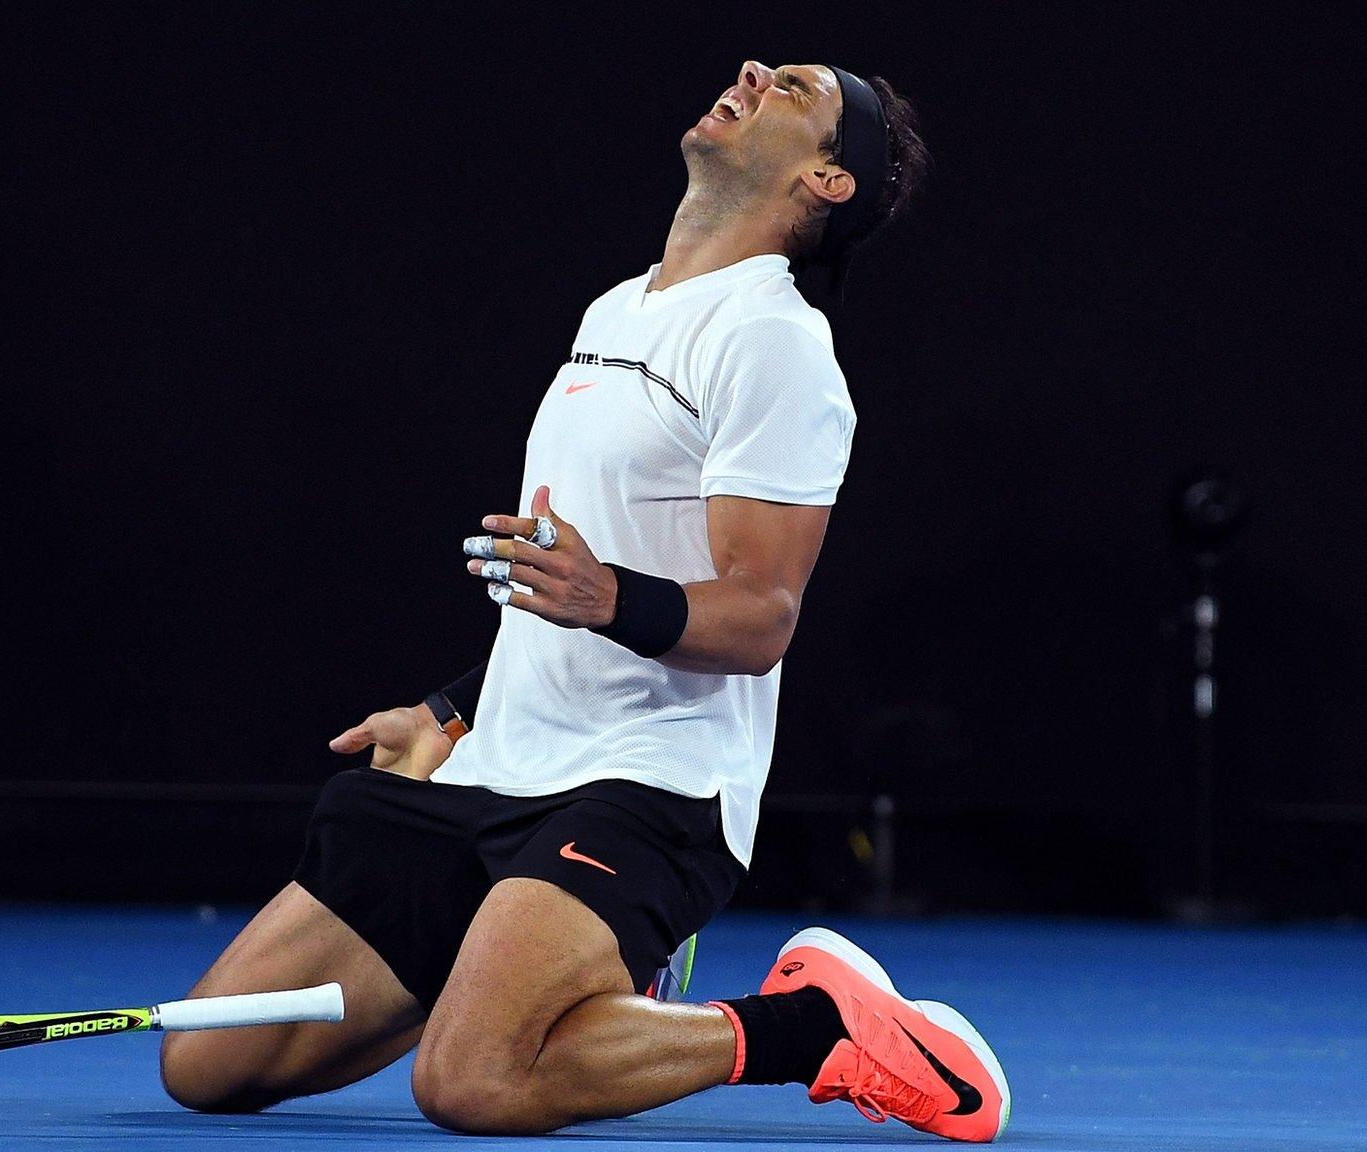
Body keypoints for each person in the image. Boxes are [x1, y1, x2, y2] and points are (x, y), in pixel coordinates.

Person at [158, 61, 1008, 1141]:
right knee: (206, 1063)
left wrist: (608, 597)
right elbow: (559, 598)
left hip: (646, 787)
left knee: (470, 1085)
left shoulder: (774, 346)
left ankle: (811, 1027)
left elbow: (759, 618)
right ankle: (543, 984)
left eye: (792, 88)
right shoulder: (616, 308)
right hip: (494, 764)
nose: (749, 71)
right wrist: (447, 714)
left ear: (826, 181)